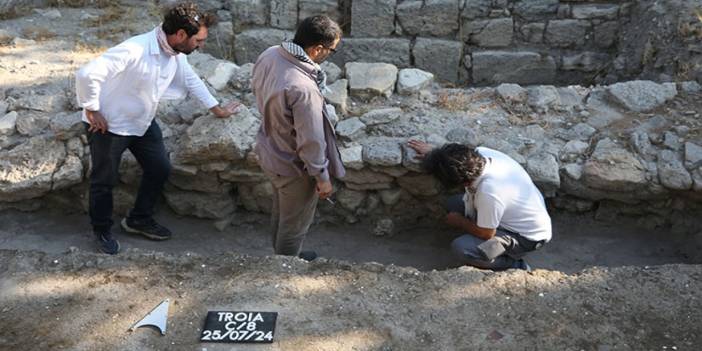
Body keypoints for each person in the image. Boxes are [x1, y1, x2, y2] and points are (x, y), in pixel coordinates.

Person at [75, 2, 240, 254]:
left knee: (159, 167)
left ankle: (138, 219)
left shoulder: (174, 51)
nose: (201, 45)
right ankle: (102, 231)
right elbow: (87, 74)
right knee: (104, 181)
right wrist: (92, 108)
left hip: (141, 123)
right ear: (181, 35)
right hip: (110, 125)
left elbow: (190, 79)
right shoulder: (135, 49)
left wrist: (216, 109)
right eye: (199, 40)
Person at [251, 15, 345, 261]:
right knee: (294, 226)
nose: (330, 54)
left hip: (270, 150)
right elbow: (311, 142)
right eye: (331, 50)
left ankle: (279, 258)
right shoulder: (303, 88)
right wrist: (322, 177)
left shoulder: (271, 54)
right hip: (293, 166)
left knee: (282, 213)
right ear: (317, 49)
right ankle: (284, 271)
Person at [408, 140, 552, 271]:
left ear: (464, 183)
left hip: (526, 237)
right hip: (516, 213)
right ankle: (480, 231)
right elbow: (457, 157)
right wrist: (437, 155)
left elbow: (487, 233)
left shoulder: (490, 192)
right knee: (453, 203)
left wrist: (460, 222)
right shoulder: (482, 154)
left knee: (463, 248)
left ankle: (515, 266)